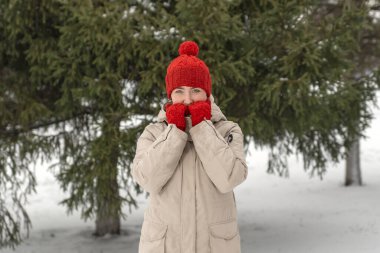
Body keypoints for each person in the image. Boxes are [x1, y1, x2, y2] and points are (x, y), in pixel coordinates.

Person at [131, 40, 248, 253]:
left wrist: (202, 127)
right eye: (179, 91)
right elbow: (148, 180)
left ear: (206, 93)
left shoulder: (227, 131)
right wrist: (174, 132)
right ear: (170, 95)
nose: (187, 99)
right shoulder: (154, 132)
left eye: (195, 90)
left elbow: (230, 178)